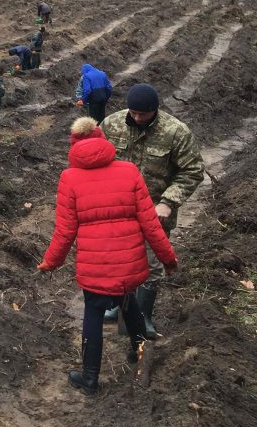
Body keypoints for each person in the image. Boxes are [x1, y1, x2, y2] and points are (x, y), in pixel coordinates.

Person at [38, 117, 178, 395]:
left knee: (93, 313)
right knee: (129, 302)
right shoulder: (129, 171)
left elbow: (65, 231)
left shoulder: (70, 178)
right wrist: (168, 258)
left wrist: (50, 262)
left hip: (95, 267)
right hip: (129, 265)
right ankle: (139, 353)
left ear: (73, 146)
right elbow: (151, 222)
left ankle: (89, 378)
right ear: (104, 140)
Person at [99, 83, 204, 337]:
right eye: (133, 113)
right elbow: (95, 159)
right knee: (116, 261)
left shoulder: (175, 132)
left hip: (155, 213)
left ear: (154, 110)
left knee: (150, 265)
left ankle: (142, 316)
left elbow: (192, 170)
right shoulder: (111, 125)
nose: (137, 118)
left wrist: (168, 202)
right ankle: (115, 306)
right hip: (117, 210)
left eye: (142, 114)